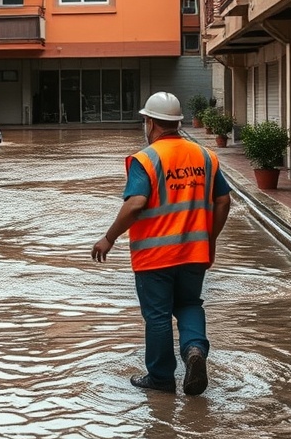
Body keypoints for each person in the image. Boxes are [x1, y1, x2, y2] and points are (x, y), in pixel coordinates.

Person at [92, 92, 232, 396]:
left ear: (152, 123)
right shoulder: (206, 156)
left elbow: (135, 204)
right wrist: (210, 239)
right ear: (177, 122)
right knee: (189, 305)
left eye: (145, 121)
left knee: (157, 316)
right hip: (195, 253)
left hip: (155, 257)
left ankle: (161, 378)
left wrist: (109, 237)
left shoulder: (146, 159)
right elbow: (223, 201)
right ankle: (194, 350)